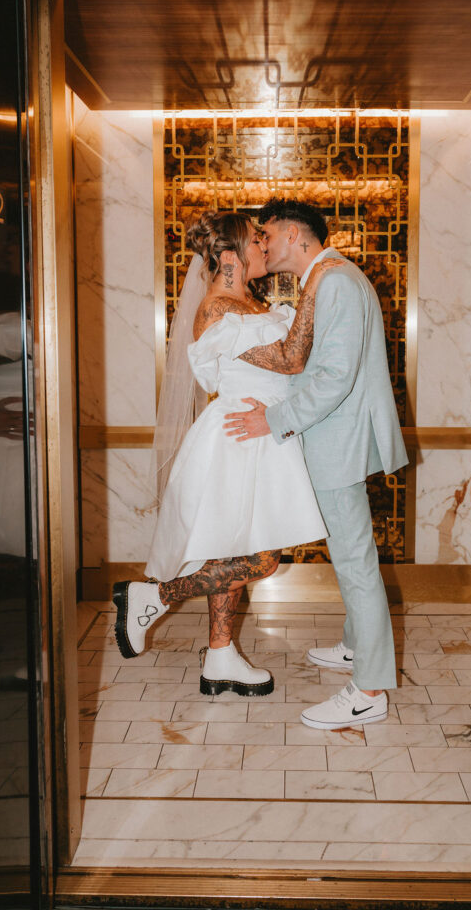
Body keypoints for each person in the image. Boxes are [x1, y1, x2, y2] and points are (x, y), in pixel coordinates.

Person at [113, 210, 336, 697]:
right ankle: (153, 596)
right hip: (237, 438)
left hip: (263, 436)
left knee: (235, 550)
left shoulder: (252, 303)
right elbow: (289, 359)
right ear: (233, 254)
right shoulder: (216, 309)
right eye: (257, 242)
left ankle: (220, 657)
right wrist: (318, 281)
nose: (265, 249)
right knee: (262, 561)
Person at [224, 199, 408, 730]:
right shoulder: (329, 277)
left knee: (355, 561)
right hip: (333, 436)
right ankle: (356, 647)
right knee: (353, 555)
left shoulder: (334, 281)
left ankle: (370, 688)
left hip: (337, 441)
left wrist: (274, 419)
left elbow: (333, 376)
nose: (263, 242)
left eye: (268, 233)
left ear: (295, 234)